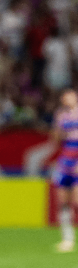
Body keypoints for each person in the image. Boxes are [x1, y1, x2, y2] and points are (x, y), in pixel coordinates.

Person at [51, 89, 78, 253]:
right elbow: (56, 139)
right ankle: (67, 239)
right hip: (65, 160)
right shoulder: (61, 115)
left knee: (76, 201)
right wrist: (57, 126)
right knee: (63, 202)